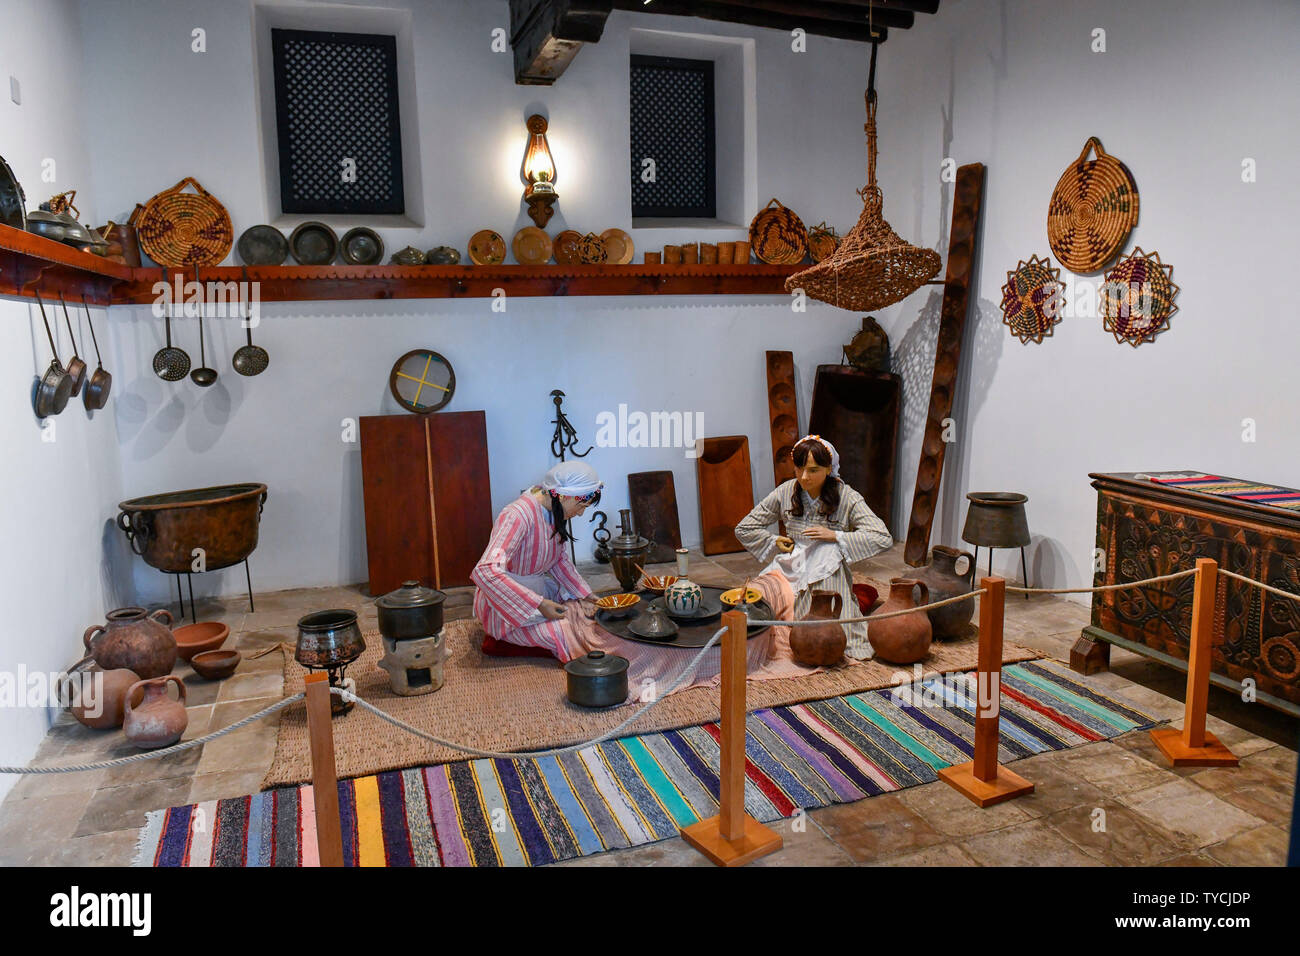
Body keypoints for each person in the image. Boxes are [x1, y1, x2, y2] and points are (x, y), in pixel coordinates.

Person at [735, 435, 893, 659]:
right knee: (752, 602)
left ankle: (813, 632)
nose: (804, 477)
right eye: (799, 469)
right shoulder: (786, 491)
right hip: (789, 566)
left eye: (813, 470)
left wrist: (836, 536)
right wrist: (773, 541)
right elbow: (745, 528)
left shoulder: (846, 497)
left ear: (829, 469)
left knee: (825, 619)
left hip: (826, 568)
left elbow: (882, 536)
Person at [471, 461, 603, 659]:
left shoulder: (553, 509)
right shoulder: (517, 515)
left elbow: (558, 559)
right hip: (508, 604)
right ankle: (500, 637)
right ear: (564, 495)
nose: (581, 513)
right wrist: (539, 604)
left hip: (536, 592)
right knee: (567, 631)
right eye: (581, 505)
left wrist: (585, 595)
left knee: (581, 614)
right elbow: (486, 570)